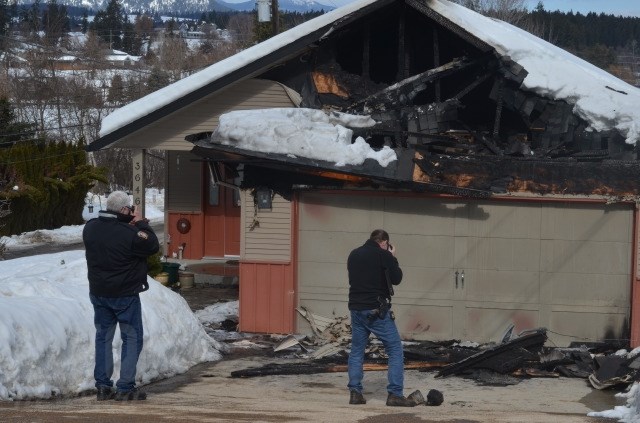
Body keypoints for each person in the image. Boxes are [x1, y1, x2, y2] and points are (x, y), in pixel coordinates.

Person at [82, 191, 159, 401]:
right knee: (131, 338)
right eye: (130, 209)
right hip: (125, 295)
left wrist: (129, 223)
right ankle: (125, 387)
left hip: (99, 293)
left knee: (103, 338)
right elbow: (152, 244)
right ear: (124, 210)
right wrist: (141, 223)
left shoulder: (90, 228)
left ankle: (103, 387)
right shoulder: (129, 234)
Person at [346, 229, 416, 407]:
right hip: (376, 310)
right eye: (387, 245)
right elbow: (397, 278)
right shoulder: (383, 255)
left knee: (356, 351)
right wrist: (392, 257)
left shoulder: (353, 254)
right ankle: (395, 394)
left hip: (356, 309)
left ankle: (355, 393)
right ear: (384, 242)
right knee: (395, 350)